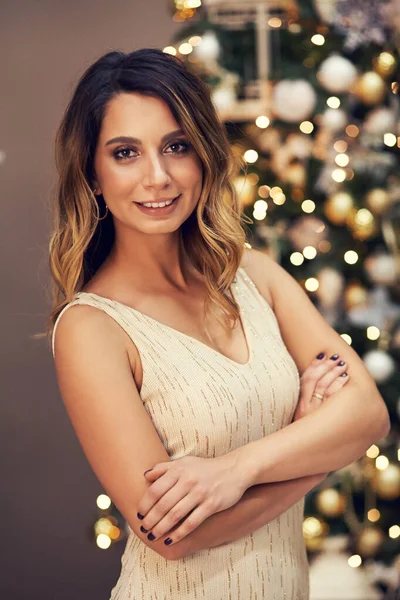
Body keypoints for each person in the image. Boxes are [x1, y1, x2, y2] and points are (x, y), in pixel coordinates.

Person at [49, 48, 390, 599]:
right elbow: (173, 535)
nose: (157, 176)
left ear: (204, 156)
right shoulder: (92, 328)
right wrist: (313, 450)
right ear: (92, 173)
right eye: (125, 153)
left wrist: (236, 470)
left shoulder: (257, 277)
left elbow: (368, 414)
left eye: (176, 146)